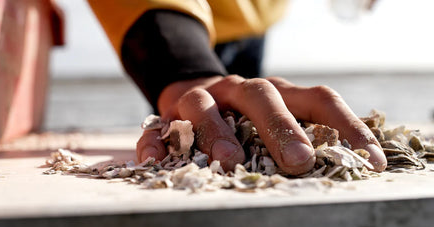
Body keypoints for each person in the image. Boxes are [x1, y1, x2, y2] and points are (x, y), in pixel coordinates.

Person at [87, 0, 387, 175]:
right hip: (174, 23)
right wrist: (184, 68)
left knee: (248, 123)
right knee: (196, 121)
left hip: (255, 25)